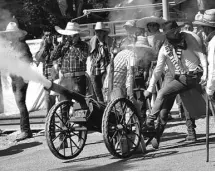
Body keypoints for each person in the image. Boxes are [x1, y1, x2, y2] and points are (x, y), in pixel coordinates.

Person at [143, 20, 208, 146]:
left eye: (171, 32)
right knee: (165, 105)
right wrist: (150, 88)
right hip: (173, 75)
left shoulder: (188, 38)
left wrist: (205, 73)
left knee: (185, 101)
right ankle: (157, 133)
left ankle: (189, 132)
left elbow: (201, 55)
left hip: (188, 75)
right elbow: (158, 69)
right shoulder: (164, 46)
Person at [0, 22, 33, 141]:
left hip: (20, 78)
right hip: (15, 77)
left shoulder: (22, 45)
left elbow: (28, 60)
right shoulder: (13, 46)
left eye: (11, 34)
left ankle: (25, 130)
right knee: (20, 104)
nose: (9, 37)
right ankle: (24, 129)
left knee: (21, 103)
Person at [51, 22, 89, 99]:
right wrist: (61, 44)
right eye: (70, 36)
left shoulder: (84, 45)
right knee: (64, 104)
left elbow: (83, 58)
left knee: (80, 103)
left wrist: (74, 46)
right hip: (65, 78)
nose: (71, 38)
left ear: (78, 36)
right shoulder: (63, 46)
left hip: (78, 78)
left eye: (74, 36)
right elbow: (52, 57)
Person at [35, 27, 59, 117]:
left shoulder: (57, 45)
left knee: (60, 100)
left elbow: (58, 57)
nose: (48, 37)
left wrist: (54, 44)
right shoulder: (43, 47)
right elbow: (37, 58)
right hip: (47, 78)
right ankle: (49, 122)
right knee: (48, 100)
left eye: (50, 35)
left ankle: (63, 122)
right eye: (46, 35)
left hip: (57, 78)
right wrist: (44, 46)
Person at [193, 9, 215, 101]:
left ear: (208, 28)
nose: (202, 30)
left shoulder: (214, 42)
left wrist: (210, 89)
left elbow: (213, 68)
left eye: (203, 27)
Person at [89, 22, 113, 103]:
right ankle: (100, 105)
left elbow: (112, 53)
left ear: (104, 32)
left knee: (106, 88)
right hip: (95, 68)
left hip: (106, 69)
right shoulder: (92, 41)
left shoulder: (109, 41)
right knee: (97, 90)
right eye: (97, 31)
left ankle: (107, 105)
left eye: (100, 31)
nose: (98, 33)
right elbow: (90, 54)